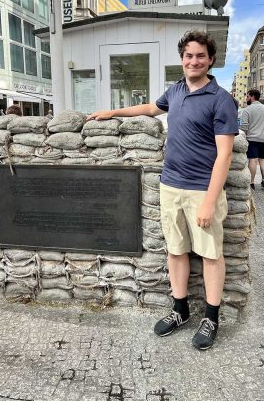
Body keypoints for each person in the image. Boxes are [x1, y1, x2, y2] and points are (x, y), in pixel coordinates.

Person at [87, 30, 238, 350]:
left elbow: (224, 153)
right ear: (182, 59)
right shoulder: (176, 91)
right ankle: (180, 309)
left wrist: (210, 201)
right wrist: (112, 112)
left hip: (202, 190)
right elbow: (150, 109)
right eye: (188, 56)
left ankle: (211, 317)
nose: (193, 61)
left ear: (211, 60)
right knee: (176, 250)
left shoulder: (221, 99)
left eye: (200, 56)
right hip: (171, 186)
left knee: (211, 255)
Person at [240, 89, 264, 190]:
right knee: (263, 159)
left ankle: (251, 182)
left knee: (253, 160)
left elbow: (244, 126)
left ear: (252, 96)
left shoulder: (247, 110)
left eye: (247, 96)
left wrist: (243, 137)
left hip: (252, 139)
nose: (246, 98)